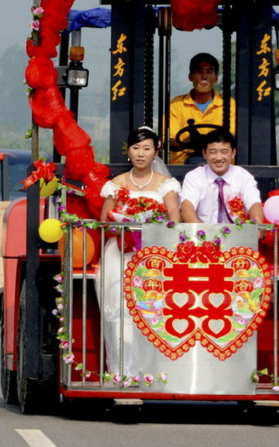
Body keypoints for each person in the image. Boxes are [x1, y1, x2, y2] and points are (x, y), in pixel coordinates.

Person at [97, 126, 181, 376]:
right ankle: (123, 371)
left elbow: (174, 219)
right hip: (121, 253)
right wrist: (123, 227)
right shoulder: (116, 184)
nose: (141, 153)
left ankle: (154, 372)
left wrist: (153, 227)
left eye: (146, 148)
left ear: (156, 152)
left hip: (153, 256)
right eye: (136, 148)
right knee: (121, 310)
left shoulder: (166, 185)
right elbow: (104, 221)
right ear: (128, 151)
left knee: (153, 309)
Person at [179, 128, 265, 224]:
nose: (219, 158)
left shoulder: (243, 176)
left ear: (233, 153)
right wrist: (199, 230)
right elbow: (187, 206)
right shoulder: (194, 177)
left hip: (238, 232)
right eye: (213, 152)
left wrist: (257, 224)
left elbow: (254, 204)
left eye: (224, 152)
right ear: (204, 154)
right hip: (202, 230)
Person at [168, 53, 236, 165]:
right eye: (199, 71)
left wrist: (203, 141)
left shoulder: (229, 105)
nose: (204, 76)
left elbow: (231, 138)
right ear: (190, 77)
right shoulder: (176, 104)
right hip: (182, 169)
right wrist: (186, 143)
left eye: (209, 71)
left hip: (221, 167)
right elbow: (170, 140)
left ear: (216, 78)